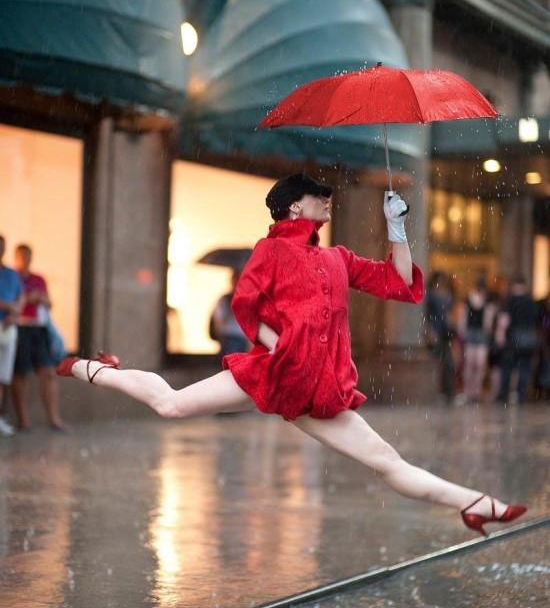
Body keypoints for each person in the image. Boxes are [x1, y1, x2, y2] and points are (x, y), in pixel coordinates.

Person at [57, 173, 526, 536]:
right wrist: (277, 347)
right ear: (295, 205)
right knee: (171, 404)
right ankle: (93, 369)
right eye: (317, 195)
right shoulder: (270, 250)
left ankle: (476, 504)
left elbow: (399, 282)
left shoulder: (337, 257)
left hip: (317, 387)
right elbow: (245, 303)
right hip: (271, 371)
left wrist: (396, 227)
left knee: (385, 460)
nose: (327, 199)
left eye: (327, 193)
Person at [12, 244, 67, 431]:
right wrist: (28, 298)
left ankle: (54, 418)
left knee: (49, 372)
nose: (25, 260)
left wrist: (40, 298)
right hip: (20, 327)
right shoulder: (13, 277)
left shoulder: (38, 279)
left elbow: (49, 301)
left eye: (27, 256)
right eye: (21, 257)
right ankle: (24, 420)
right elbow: (13, 302)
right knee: (20, 374)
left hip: (39, 328)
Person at [496, 276, 538, 404]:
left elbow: (504, 319)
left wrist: (500, 334)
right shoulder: (532, 302)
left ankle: (504, 394)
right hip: (529, 339)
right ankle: (521, 395)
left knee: (508, 366)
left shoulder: (510, 301)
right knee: (524, 368)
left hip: (514, 338)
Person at [457, 276, 496, 402]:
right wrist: (462, 329)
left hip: (481, 333)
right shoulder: (469, 299)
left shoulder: (487, 301)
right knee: (470, 362)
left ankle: (476, 389)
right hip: (471, 332)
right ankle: (469, 389)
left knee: (479, 362)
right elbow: (463, 316)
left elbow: (488, 319)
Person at [0, 235, 24, 436]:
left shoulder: (10, 274)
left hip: (7, 328)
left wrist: (14, 312)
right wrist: (8, 306)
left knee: (3, 375)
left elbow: (21, 296)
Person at [424, 271, 456, 403]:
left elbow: (449, 313)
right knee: (437, 363)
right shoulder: (429, 296)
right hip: (435, 331)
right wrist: (429, 330)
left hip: (446, 332)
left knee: (449, 363)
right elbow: (425, 314)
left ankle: (449, 393)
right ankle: (438, 392)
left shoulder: (448, 295)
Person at [209, 271, 250, 358]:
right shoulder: (226, 299)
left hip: (241, 336)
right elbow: (219, 319)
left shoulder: (245, 299)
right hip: (230, 336)